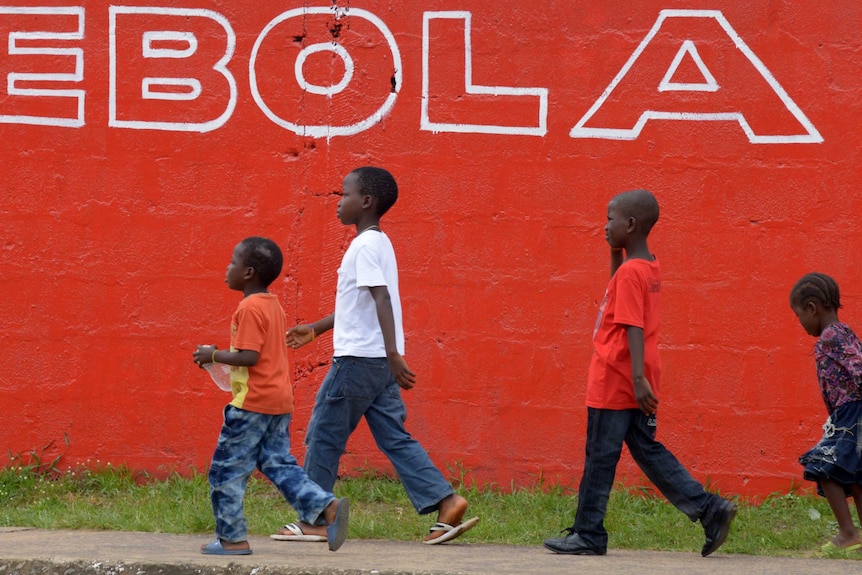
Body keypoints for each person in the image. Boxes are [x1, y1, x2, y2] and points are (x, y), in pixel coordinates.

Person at [272, 166, 478, 545]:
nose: (338, 202)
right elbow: (362, 302)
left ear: (366, 202)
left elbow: (382, 299)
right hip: (377, 364)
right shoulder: (380, 243)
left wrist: (393, 353)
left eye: (344, 194)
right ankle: (446, 501)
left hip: (357, 361)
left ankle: (315, 518)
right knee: (394, 437)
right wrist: (317, 328)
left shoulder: (364, 246)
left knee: (322, 436)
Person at [543, 189, 736, 557]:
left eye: (610, 219)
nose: (604, 226)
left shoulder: (632, 272)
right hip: (638, 374)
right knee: (648, 450)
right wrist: (614, 252)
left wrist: (634, 378)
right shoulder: (646, 266)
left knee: (600, 455)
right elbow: (622, 294)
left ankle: (588, 533)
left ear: (630, 225)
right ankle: (709, 509)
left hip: (616, 377)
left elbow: (631, 324)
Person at [192, 236, 349, 555]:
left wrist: (213, 355)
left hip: (251, 405)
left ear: (248, 272)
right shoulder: (273, 305)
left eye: (233, 261)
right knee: (278, 464)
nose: (228, 267)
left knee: (226, 471)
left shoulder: (248, 308)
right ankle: (325, 507)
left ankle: (232, 539)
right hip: (279, 403)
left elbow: (248, 357)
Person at [790, 272, 862, 557]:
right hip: (847, 415)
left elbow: (858, 368)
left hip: (851, 414)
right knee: (854, 474)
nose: (801, 323)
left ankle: (847, 533)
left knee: (823, 465)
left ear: (812, 308)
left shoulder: (830, 337)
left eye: (799, 316)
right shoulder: (844, 331)